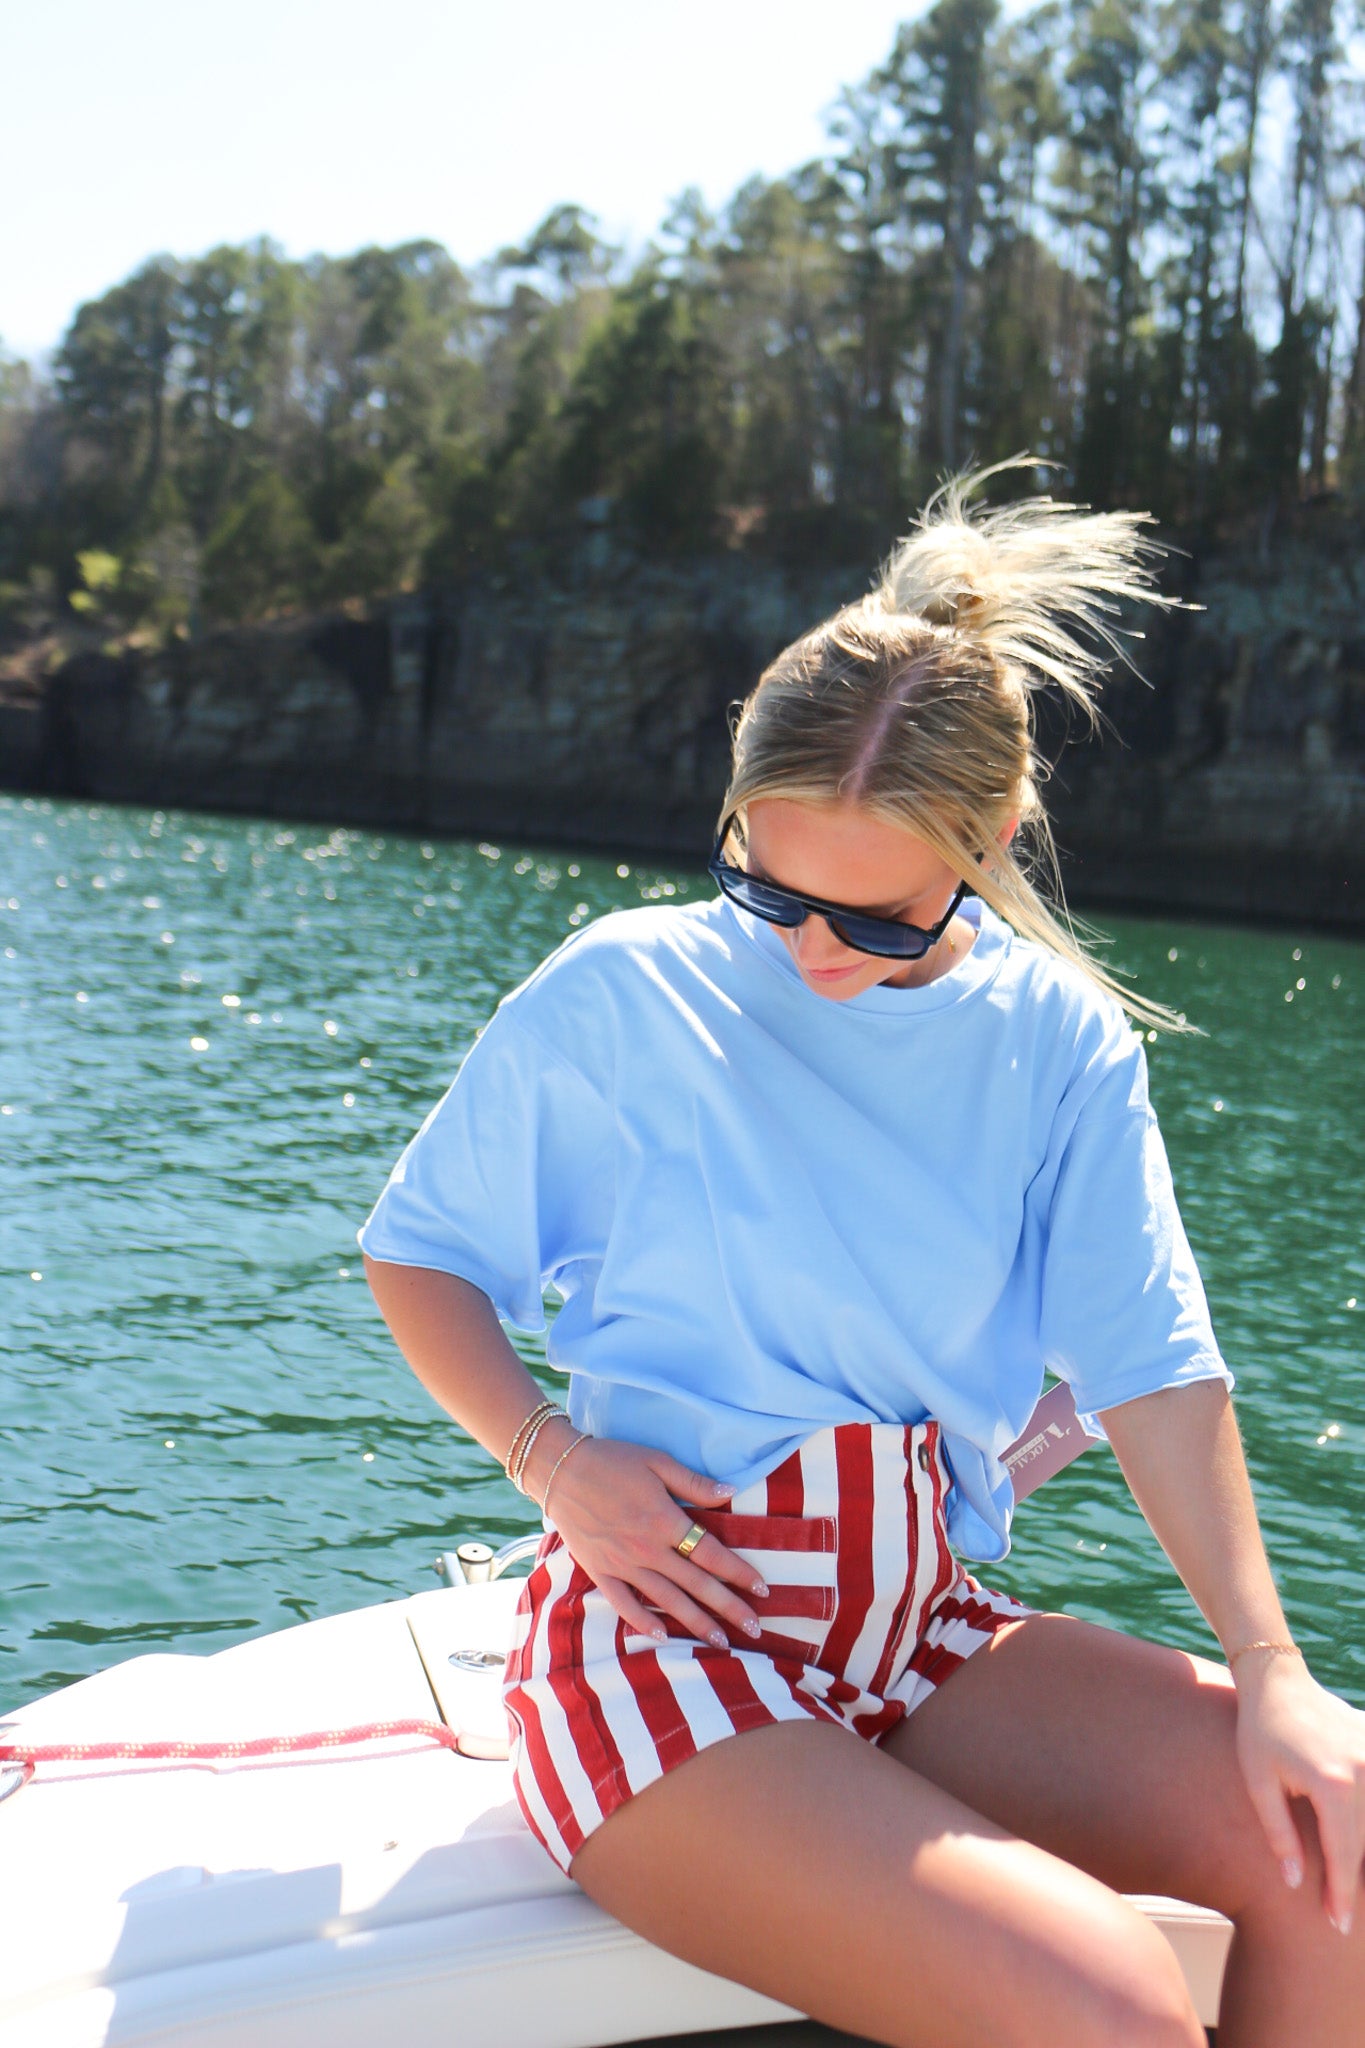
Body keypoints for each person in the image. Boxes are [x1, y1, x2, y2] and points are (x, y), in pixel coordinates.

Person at [359, 461, 1364, 2048]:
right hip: (659, 1651)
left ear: (994, 839)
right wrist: (547, 1458)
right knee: (1108, 2002)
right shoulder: (625, 989)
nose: (812, 952)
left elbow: (1154, 1369)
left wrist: (1274, 1667)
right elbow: (421, 1256)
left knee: (1336, 1856)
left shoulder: (1058, 1042)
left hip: (912, 1633)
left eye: (878, 920)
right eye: (767, 889)